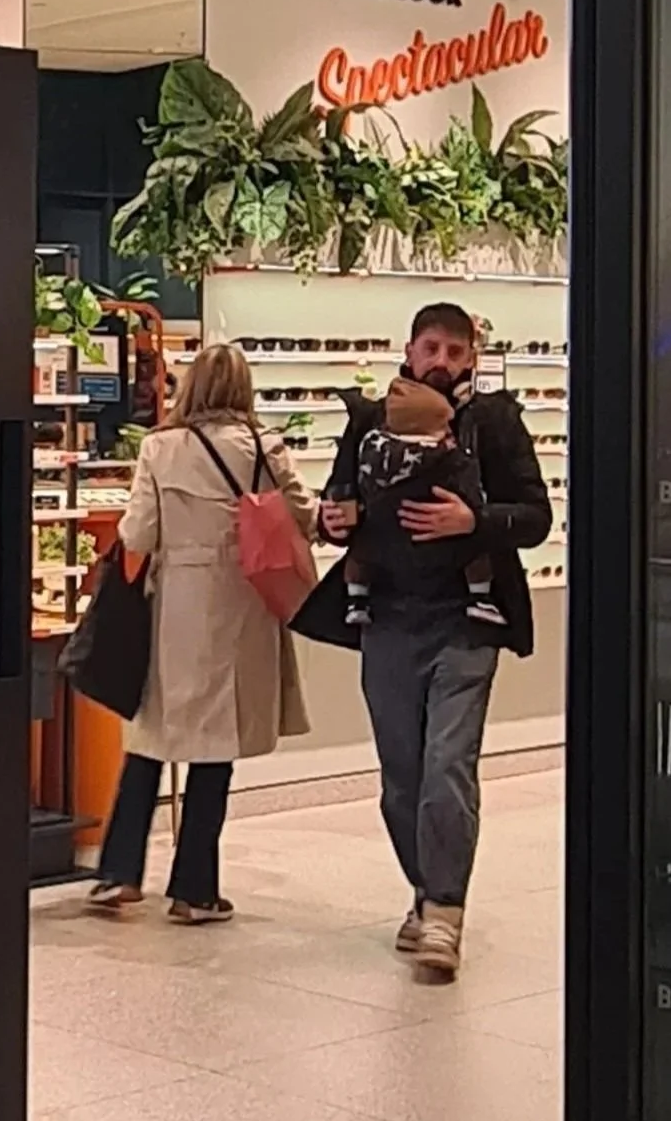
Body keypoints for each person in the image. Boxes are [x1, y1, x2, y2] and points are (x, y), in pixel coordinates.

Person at [313, 300, 550, 982]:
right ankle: (423, 889)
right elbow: (336, 502)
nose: (441, 361)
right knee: (400, 779)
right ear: (408, 350)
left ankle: (444, 911)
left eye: (454, 350)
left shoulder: (495, 422)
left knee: (447, 765)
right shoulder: (366, 418)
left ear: (470, 357)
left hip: (467, 622)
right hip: (385, 618)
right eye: (430, 348)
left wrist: (472, 520)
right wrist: (333, 518)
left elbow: (534, 515)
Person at [89, 342, 315, 925]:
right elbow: (303, 516)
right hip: (244, 601)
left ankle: (118, 872)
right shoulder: (267, 447)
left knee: (151, 735)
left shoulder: (161, 448)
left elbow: (137, 533)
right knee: (218, 745)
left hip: (175, 607)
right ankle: (194, 886)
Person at [342, 374, 503, 632]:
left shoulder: (371, 449)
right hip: (441, 551)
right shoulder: (448, 458)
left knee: (360, 555)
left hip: (382, 547)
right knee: (475, 553)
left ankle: (357, 598)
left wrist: (345, 519)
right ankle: (481, 598)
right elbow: (469, 492)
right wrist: (475, 515)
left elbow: (355, 489)